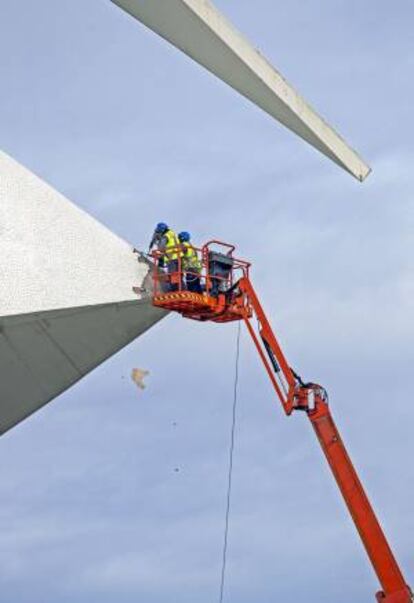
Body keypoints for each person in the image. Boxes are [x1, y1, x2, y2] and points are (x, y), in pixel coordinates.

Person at [149, 222, 180, 291]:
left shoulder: (166, 236)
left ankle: (174, 290)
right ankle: (178, 288)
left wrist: (156, 252)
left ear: (162, 230)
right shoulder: (171, 233)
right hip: (177, 256)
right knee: (177, 274)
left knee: (172, 274)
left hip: (172, 257)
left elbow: (161, 247)